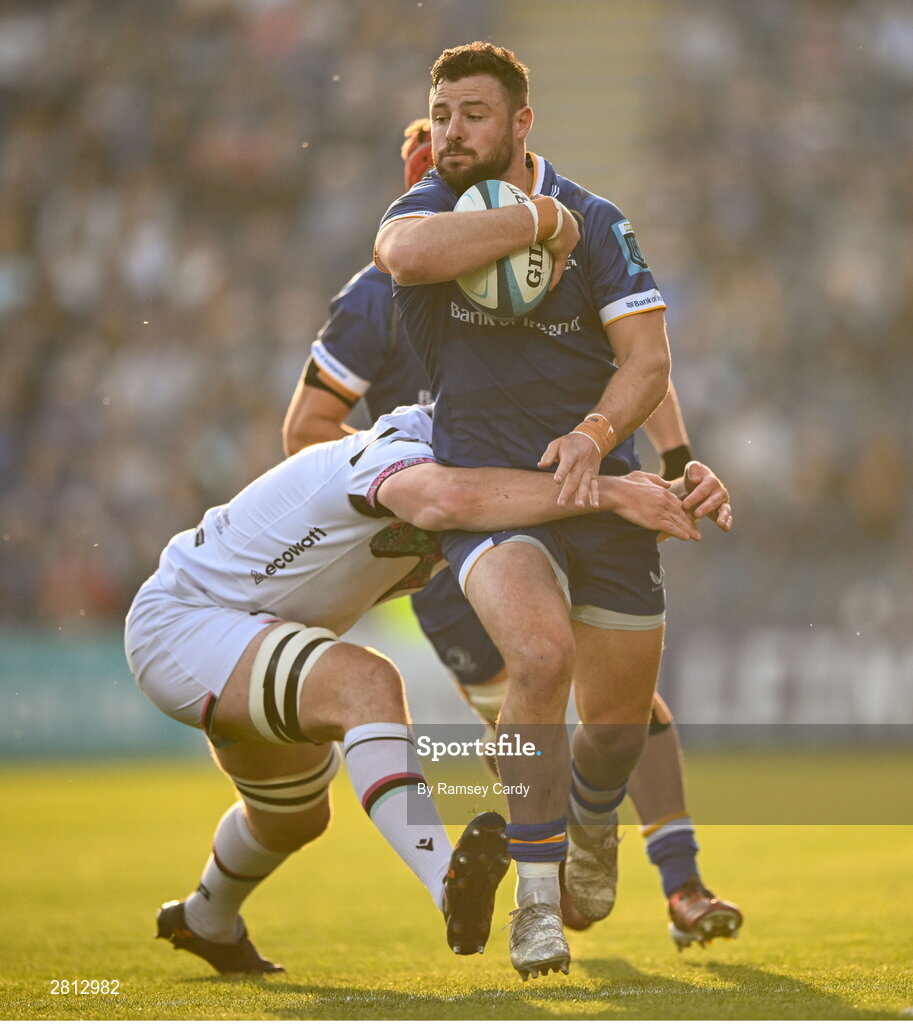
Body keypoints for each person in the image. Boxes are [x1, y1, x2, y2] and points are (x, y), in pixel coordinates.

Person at [286, 118, 742, 952]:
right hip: (452, 533)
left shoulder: (545, 265)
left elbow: (633, 363)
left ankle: (676, 882)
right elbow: (308, 428)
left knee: (619, 704)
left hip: (570, 489)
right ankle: (555, 876)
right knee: (528, 694)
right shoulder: (377, 294)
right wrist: (411, 480)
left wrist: (676, 459)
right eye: (434, 188)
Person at [125, 403, 703, 975]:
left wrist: (673, 500)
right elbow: (446, 499)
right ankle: (448, 886)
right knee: (367, 683)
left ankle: (204, 920)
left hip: (262, 635)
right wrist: (613, 492)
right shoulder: (402, 449)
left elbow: (578, 548)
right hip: (185, 621)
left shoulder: (492, 469)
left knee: (292, 819)